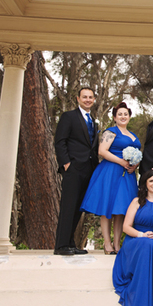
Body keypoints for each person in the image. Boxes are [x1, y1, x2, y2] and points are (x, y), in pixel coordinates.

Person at [112, 170, 153, 306]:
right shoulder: (137, 202)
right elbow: (126, 227)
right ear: (145, 183)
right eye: (151, 181)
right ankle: (140, 293)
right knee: (147, 244)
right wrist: (142, 235)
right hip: (136, 239)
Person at [80, 102, 140, 254]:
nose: (123, 116)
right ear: (114, 117)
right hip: (111, 172)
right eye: (119, 114)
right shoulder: (110, 132)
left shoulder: (133, 135)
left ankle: (117, 244)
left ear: (129, 116)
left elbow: (138, 153)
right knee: (107, 207)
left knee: (121, 210)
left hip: (128, 175)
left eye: (125, 114)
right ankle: (107, 244)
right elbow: (102, 151)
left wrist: (135, 164)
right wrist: (121, 161)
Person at [54, 87, 99, 256]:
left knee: (78, 209)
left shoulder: (93, 121)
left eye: (90, 97)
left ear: (94, 100)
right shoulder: (69, 117)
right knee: (68, 206)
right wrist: (66, 163)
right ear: (78, 98)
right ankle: (61, 245)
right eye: (84, 97)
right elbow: (60, 141)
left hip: (88, 170)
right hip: (73, 169)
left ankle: (70, 243)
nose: (88, 100)